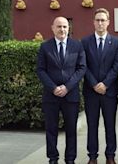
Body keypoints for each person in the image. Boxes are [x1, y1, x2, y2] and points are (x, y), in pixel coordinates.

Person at [36, 16, 86, 164]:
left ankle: (70, 159)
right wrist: (53, 88)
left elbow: (81, 68)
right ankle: (53, 158)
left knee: (71, 130)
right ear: (53, 28)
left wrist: (67, 87)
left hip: (71, 96)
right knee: (51, 129)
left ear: (68, 28)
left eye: (65, 26)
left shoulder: (77, 46)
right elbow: (41, 70)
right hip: (51, 96)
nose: (62, 29)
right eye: (59, 26)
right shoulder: (45, 47)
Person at [81, 8, 118, 164]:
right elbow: (83, 65)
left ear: (108, 22)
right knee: (92, 125)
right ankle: (92, 156)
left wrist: (105, 84)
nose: (100, 23)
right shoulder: (85, 42)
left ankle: (110, 155)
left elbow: (117, 65)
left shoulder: (117, 43)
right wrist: (94, 84)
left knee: (110, 125)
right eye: (97, 20)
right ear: (93, 22)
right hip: (91, 92)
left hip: (109, 91)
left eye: (103, 20)